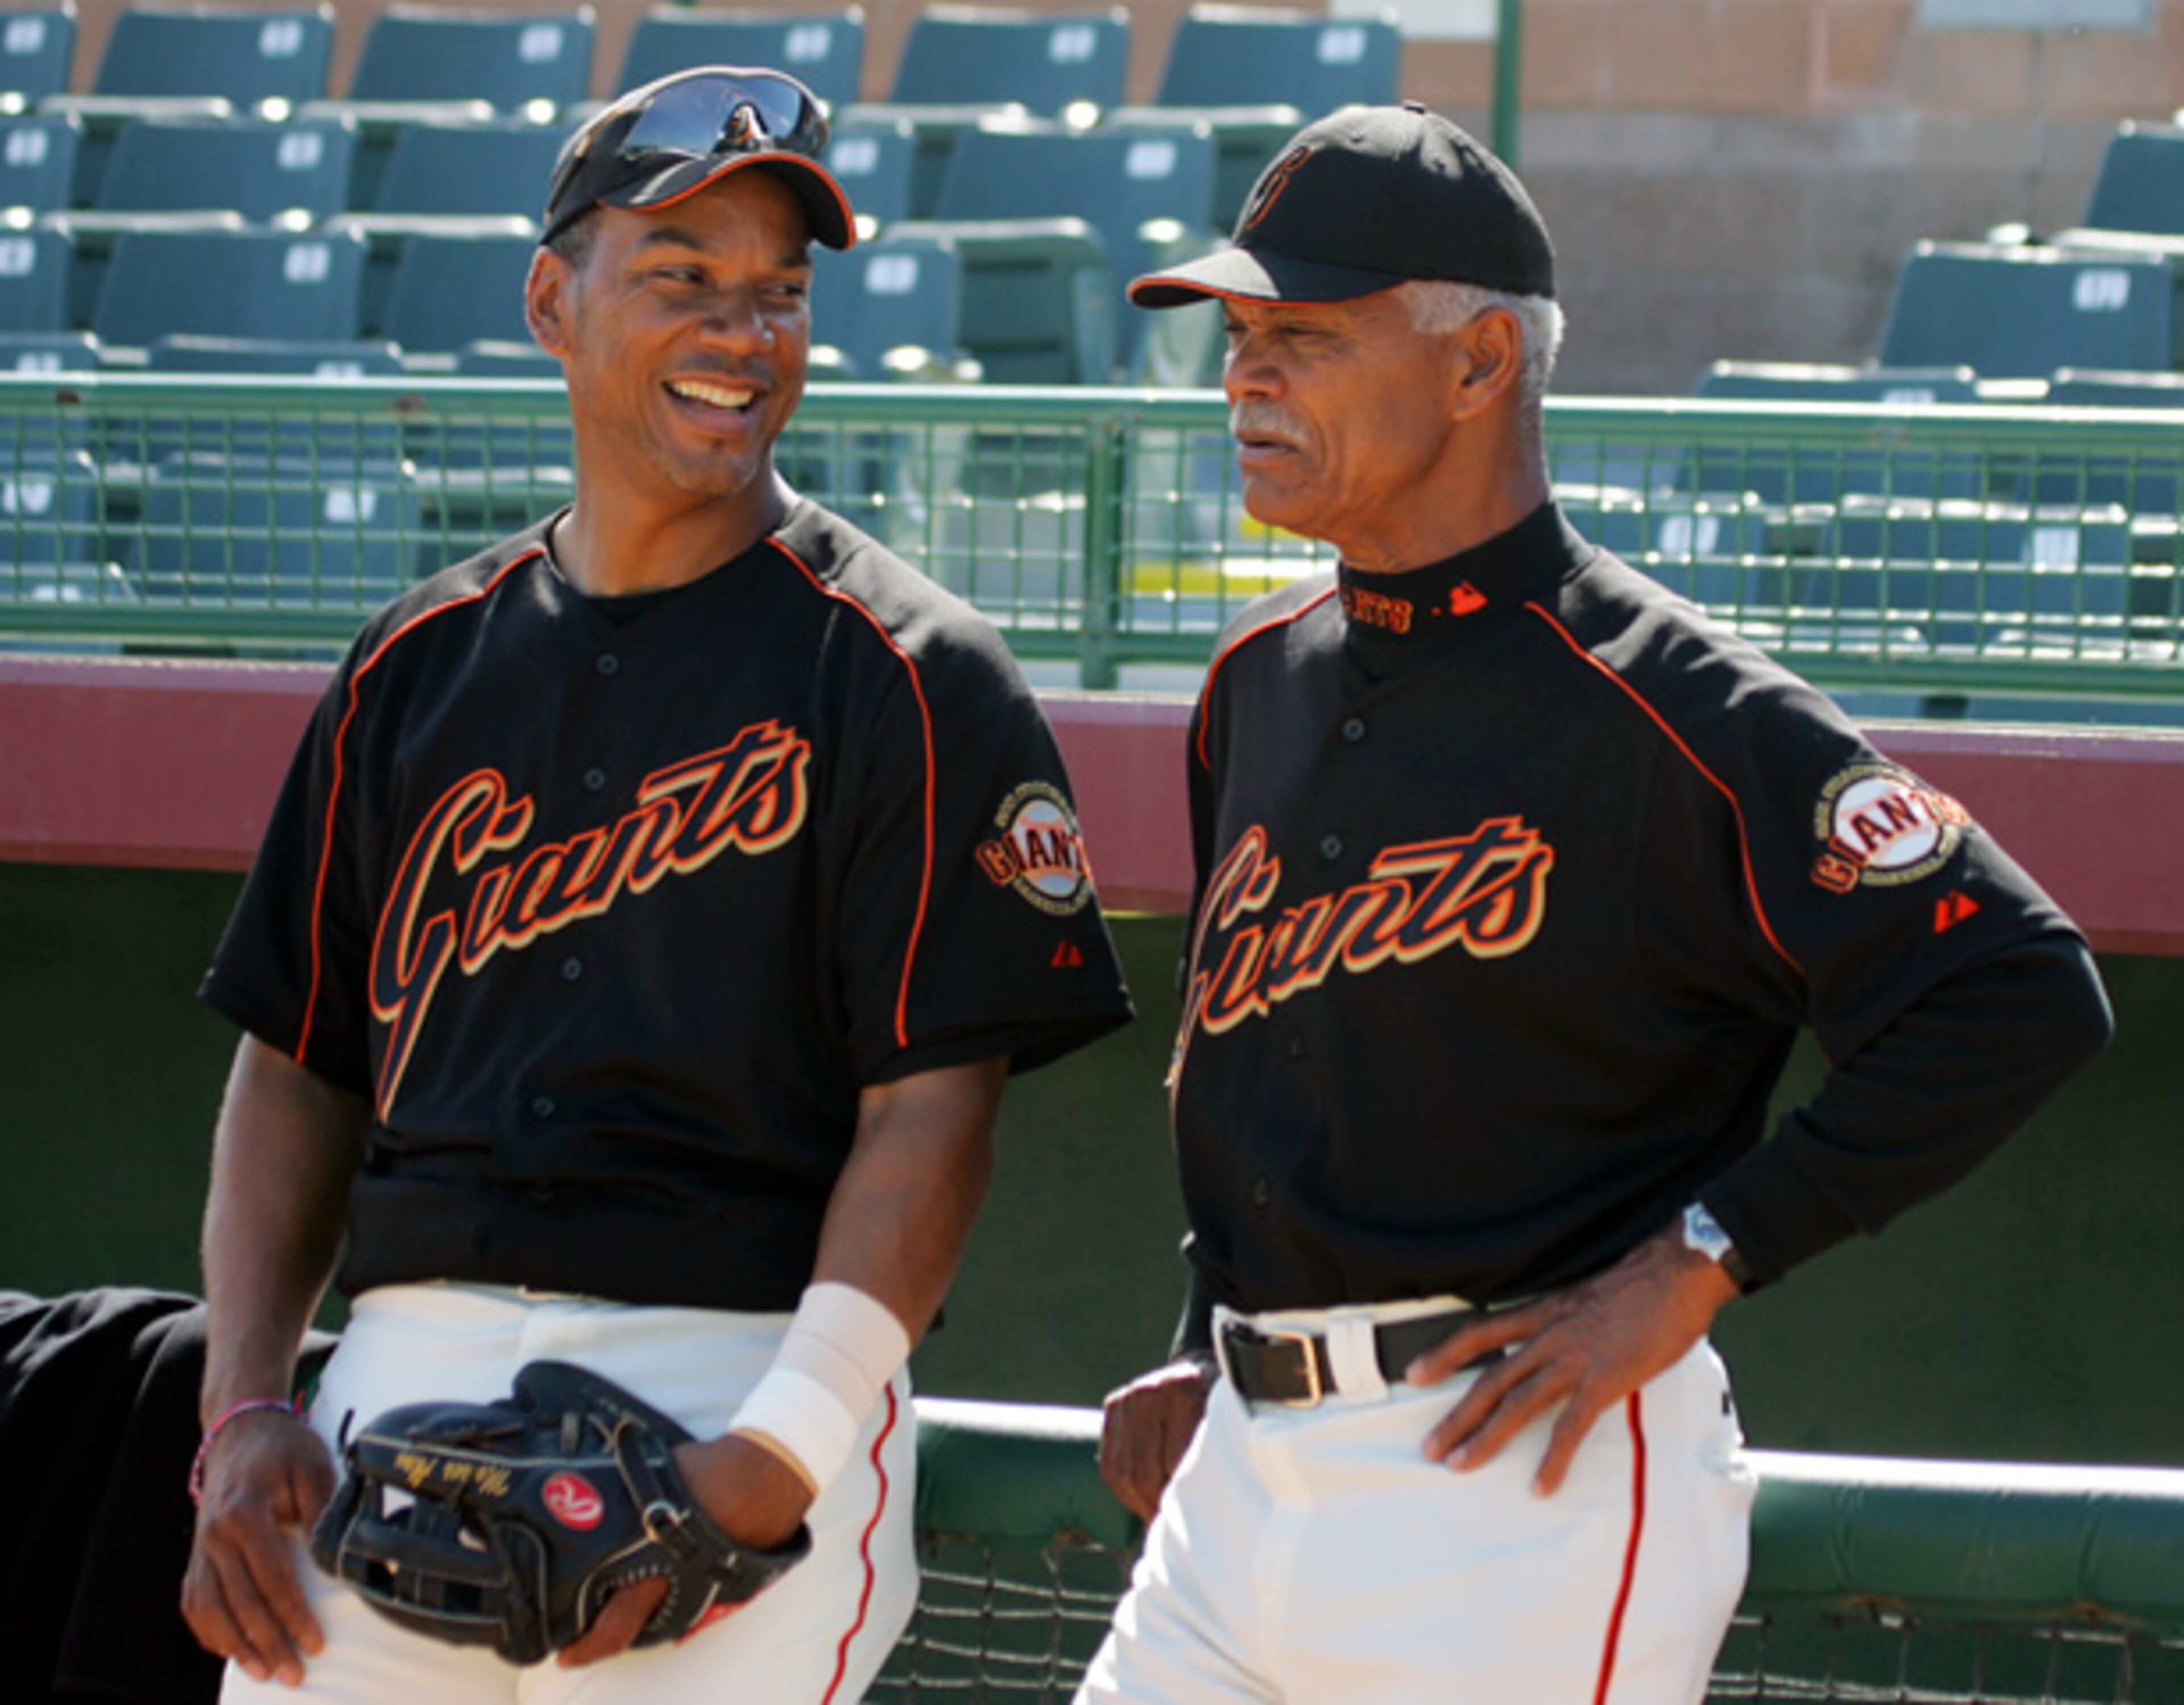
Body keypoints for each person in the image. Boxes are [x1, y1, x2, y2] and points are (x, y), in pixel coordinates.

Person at [1084, 101, 2112, 1705]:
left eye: (1301, 336)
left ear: (1481, 361)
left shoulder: (1679, 708)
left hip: (1521, 1485)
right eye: (1235, 337)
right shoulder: (1254, 688)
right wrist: (1205, 1317)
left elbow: (2021, 989)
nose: (1244, 376)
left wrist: (1705, 1258)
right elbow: (1279, 1057)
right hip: (1237, 1475)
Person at [178, 65, 1133, 1704]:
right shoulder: (415, 663)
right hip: (393, 1398)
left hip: (739, 1373)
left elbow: (934, 1121)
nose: (742, 333)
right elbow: (296, 1061)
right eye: (683, 279)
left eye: (779, 293)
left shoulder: (912, 671)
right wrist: (246, 1406)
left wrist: (774, 1461)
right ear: (554, 302)